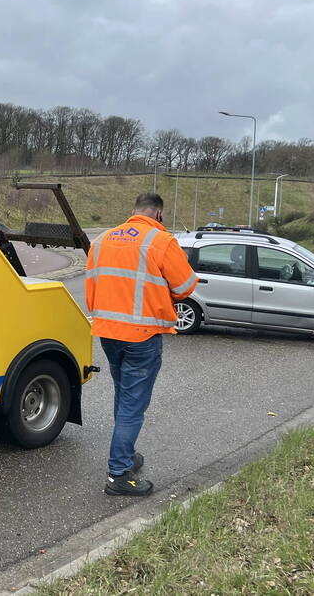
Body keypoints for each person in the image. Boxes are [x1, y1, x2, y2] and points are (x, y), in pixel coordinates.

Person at [85, 193, 198, 496]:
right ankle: (118, 473)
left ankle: (126, 454)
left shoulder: (102, 239)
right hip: (142, 336)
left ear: (132, 211)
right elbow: (186, 286)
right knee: (133, 406)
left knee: (124, 398)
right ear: (158, 215)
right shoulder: (161, 242)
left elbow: (92, 284)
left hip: (108, 332)